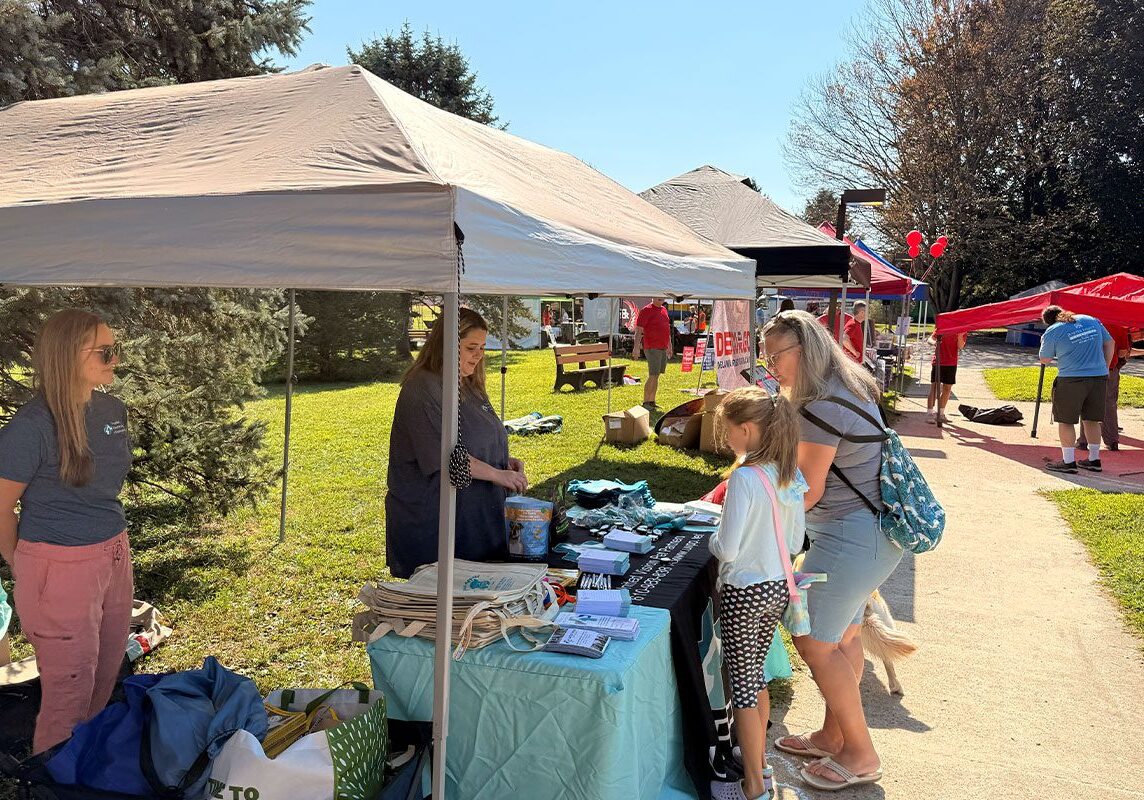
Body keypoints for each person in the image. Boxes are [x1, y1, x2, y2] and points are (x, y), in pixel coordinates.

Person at [761, 310, 901, 791]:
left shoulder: (818, 406)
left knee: (813, 641)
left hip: (850, 536)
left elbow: (808, 490)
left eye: (776, 354)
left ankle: (861, 754)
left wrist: (752, 515)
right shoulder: (850, 388)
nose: (769, 364)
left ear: (805, 351)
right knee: (841, 638)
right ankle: (831, 735)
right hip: (870, 536)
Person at [0, 309, 132, 754]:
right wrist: (23, 566)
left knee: (104, 671)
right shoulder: (30, 426)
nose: (115, 359)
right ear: (66, 357)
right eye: (105, 351)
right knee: (68, 693)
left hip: (114, 551)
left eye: (116, 349)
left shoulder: (111, 408)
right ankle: (52, 778)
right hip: (58, 563)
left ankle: (83, 767)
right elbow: (0, 506)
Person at [710, 388, 807, 800]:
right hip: (776, 589)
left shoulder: (745, 478)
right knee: (757, 679)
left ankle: (751, 784)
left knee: (744, 688)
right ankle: (760, 765)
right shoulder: (788, 474)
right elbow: (797, 539)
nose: (727, 440)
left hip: (743, 591)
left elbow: (727, 548)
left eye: (729, 431)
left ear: (746, 430)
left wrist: (714, 540)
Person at [385, 308, 528, 578]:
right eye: (471, 347)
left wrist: (500, 459)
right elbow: (449, 457)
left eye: (483, 347)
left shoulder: (467, 382)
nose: (479, 355)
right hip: (435, 523)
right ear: (446, 346)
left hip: (477, 518)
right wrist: (498, 474)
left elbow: (475, 435)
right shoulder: (422, 389)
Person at [1038, 306, 1114, 474]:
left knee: (1065, 420)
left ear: (1048, 321)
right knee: (1092, 419)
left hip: (1071, 379)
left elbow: (1045, 359)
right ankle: (1094, 459)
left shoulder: (1052, 330)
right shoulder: (1090, 319)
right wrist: (1105, 367)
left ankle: (1068, 462)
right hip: (1099, 377)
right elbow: (1110, 342)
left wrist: (1046, 342)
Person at [1078, 324, 1134, 452]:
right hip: (1109, 369)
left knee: (1087, 404)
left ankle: (1083, 441)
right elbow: (1122, 352)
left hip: (1087, 369)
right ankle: (1112, 440)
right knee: (1109, 404)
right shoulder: (1120, 325)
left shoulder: (1086, 323)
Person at [633, 298, 672, 410]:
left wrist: (669, 346)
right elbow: (639, 330)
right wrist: (636, 348)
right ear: (653, 296)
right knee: (653, 375)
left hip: (663, 347)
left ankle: (652, 401)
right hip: (652, 347)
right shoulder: (646, 310)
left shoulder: (664, 309)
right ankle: (646, 402)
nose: (661, 298)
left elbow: (667, 329)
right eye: (658, 295)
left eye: (662, 295)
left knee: (657, 375)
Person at [926, 331, 968, 424]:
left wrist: (960, 335)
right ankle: (929, 413)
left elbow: (960, 346)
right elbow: (930, 339)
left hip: (951, 362)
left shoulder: (963, 329)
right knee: (934, 387)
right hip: (938, 361)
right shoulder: (943, 326)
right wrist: (934, 342)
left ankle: (940, 413)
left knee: (947, 388)